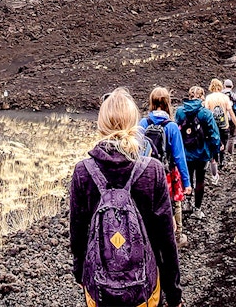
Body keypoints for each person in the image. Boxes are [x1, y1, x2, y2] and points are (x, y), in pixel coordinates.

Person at [69, 88, 182, 307]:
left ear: (101, 125)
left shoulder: (83, 171)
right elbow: (166, 239)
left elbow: (78, 234)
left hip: (99, 290)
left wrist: (81, 273)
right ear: (134, 123)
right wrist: (173, 293)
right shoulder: (153, 170)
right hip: (145, 288)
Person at [140, 87, 191, 248]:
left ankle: (148, 238)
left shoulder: (143, 123)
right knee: (175, 203)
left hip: (146, 173)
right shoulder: (172, 127)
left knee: (148, 205)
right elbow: (179, 156)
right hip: (167, 173)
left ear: (151, 102)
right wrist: (186, 182)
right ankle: (177, 236)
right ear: (168, 103)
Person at [175, 86, 221, 219]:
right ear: (202, 97)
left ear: (189, 96)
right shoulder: (205, 113)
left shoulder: (180, 112)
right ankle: (197, 209)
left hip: (185, 153)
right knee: (200, 179)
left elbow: (176, 131)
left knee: (187, 177)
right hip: (202, 153)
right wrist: (214, 152)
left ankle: (187, 203)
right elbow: (214, 135)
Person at [204, 79, 236, 179]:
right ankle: (222, 160)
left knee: (214, 144)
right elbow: (231, 112)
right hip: (224, 125)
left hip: (212, 126)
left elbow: (206, 112)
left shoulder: (208, 98)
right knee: (224, 142)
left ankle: (215, 162)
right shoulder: (225, 97)